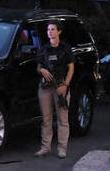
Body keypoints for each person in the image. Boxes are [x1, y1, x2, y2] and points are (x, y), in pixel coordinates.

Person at [34, 21, 74, 159]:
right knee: (46, 119)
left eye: (52, 29)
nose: (49, 32)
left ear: (59, 32)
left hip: (60, 86)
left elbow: (71, 68)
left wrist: (66, 84)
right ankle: (45, 147)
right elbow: (38, 67)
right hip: (46, 87)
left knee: (63, 119)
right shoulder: (44, 49)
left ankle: (62, 148)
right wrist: (42, 69)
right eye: (48, 29)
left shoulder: (65, 48)